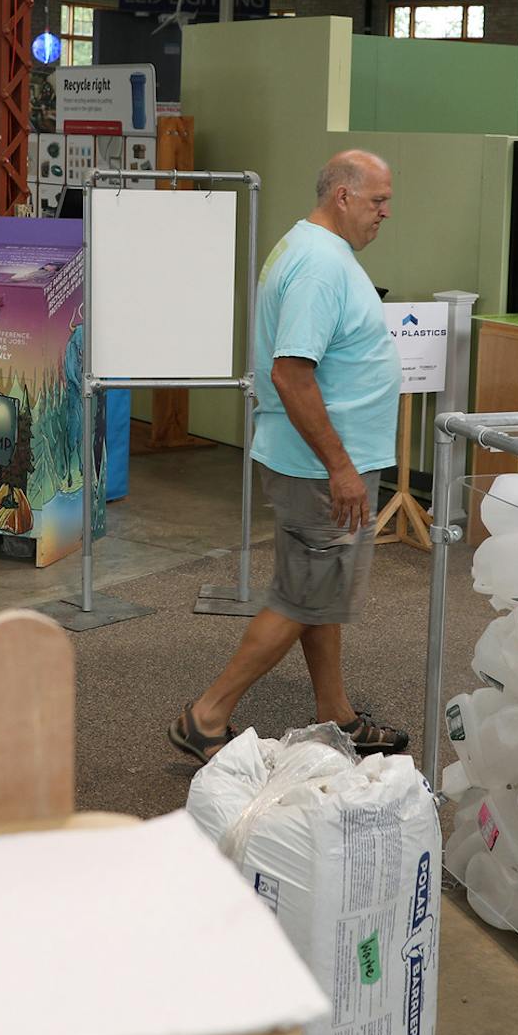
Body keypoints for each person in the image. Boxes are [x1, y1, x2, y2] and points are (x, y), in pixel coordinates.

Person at [170, 150, 409, 762]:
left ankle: (337, 715)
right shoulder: (320, 268)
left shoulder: (315, 252)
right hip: (320, 470)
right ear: (344, 197)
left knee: (315, 593)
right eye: (378, 200)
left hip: (314, 463)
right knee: (301, 599)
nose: (387, 212)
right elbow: (291, 374)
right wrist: (341, 467)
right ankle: (207, 715)